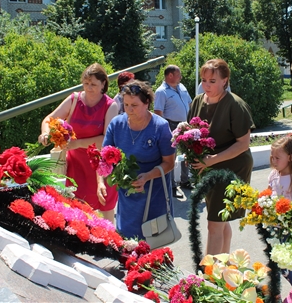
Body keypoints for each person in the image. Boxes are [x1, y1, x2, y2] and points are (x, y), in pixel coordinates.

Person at [188, 58, 255, 255]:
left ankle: (210, 277)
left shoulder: (235, 105)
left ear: (225, 80)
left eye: (212, 81)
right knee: (219, 220)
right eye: (204, 80)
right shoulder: (197, 102)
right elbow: (189, 133)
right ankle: (223, 267)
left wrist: (212, 160)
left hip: (232, 168)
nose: (206, 85)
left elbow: (243, 144)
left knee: (214, 225)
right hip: (207, 167)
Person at [38, 63, 118, 222]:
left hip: (100, 165)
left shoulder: (111, 106)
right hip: (76, 166)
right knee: (77, 214)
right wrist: (45, 133)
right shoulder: (74, 99)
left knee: (105, 217)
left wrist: (77, 143)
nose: (89, 88)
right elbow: (49, 119)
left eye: (94, 84)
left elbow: (106, 140)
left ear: (103, 84)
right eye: (86, 83)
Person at [97, 80, 176, 239]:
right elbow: (103, 159)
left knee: (153, 240)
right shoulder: (117, 124)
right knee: (127, 240)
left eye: (134, 105)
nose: (129, 110)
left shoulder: (160, 127)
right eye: (126, 105)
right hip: (127, 195)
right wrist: (100, 182)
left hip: (154, 192)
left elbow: (169, 163)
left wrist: (147, 176)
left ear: (147, 103)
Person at [268, 136, 292, 303]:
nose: (274, 161)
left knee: (279, 262)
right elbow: (268, 195)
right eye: (272, 157)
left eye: (278, 158)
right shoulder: (273, 175)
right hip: (273, 225)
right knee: (275, 262)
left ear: (290, 157)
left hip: (289, 227)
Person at [154, 65, 192, 198]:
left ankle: (185, 180)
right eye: (178, 74)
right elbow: (158, 113)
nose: (180, 77)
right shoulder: (161, 92)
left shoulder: (182, 87)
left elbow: (189, 104)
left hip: (185, 124)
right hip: (170, 125)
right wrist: (164, 132)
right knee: (171, 157)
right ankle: (172, 186)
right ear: (170, 75)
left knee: (188, 153)